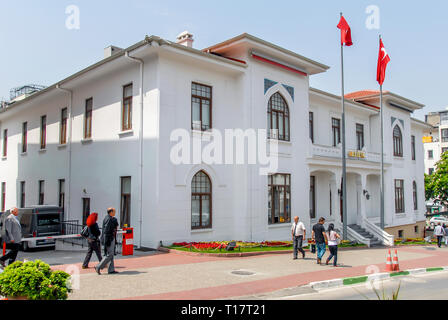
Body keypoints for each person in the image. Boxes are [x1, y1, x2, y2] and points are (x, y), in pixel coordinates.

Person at [95, 208, 119, 275]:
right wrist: (107, 240)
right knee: (110, 255)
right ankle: (98, 266)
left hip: (108, 239)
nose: (115, 213)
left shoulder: (106, 218)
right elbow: (107, 231)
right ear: (111, 212)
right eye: (114, 211)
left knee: (110, 254)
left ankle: (111, 270)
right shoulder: (109, 219)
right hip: (109, 239)